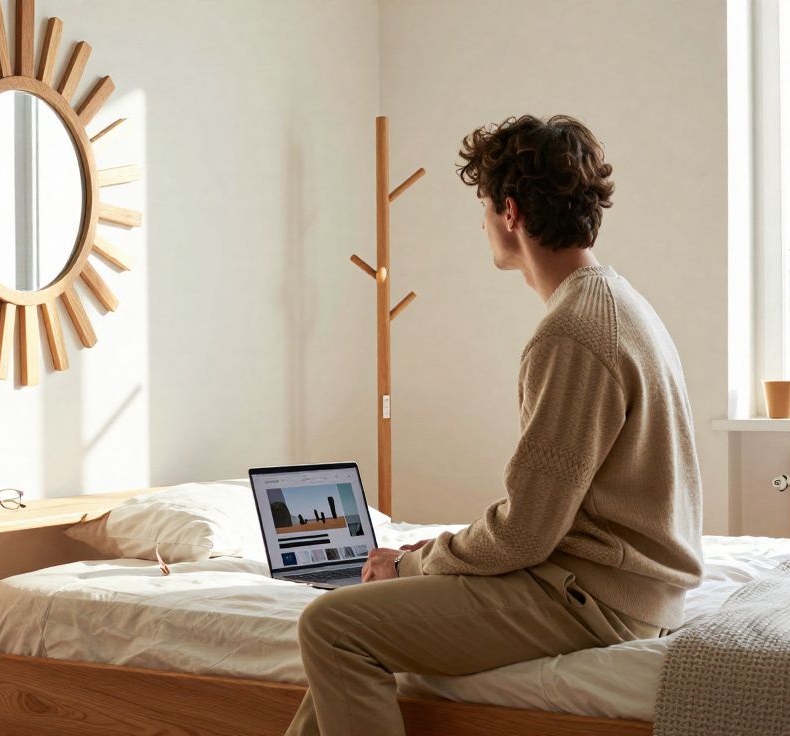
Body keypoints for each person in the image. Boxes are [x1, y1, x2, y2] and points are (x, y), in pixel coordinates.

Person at [284, 114, 704, 736]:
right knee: (353, 624)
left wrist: (411, 565)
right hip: (627, 590)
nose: (482, 223)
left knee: (332, 623)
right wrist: (430, 556)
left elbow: (525, 533)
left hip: (594, 598)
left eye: (482, 206)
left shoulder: (573, 332)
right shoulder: (617, 301)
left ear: (509, 212)